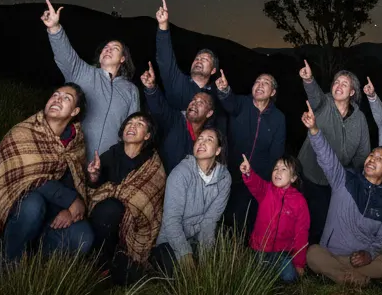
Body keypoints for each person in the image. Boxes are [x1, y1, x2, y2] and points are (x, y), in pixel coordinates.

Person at [0, 84, 93, 269]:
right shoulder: (23, 133)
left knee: (83, 236)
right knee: (33, 204)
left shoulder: (75, 142)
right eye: (55, 95)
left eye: (66, 98)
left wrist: (69, 210)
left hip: (51, 214)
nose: (57, 99)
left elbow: (74, 181)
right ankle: (7, 263)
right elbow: (29, 178)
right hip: (17, 209)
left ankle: (32, 263)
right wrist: (71, 199)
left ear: (75, 111)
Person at [301, 101, 382, 287]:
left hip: (361, 261)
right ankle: (352, 279)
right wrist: (314, 130)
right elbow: (327, 157)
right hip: (332, 255)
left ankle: (342, 277)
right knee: (313, 252)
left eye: (380, 159)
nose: (372, 159)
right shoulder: (344, 179)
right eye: (372, 155)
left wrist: (368, 254)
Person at [42, 0, 140, 157]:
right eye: (105, 48)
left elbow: (132, 127)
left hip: (108, 163)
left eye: (114, 49)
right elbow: (65, 55)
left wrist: (123, 159)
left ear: (123, 59)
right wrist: (54, 28)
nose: (108, 50)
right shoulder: (83, 72)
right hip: (74, 157)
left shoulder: (131, 90)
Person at [86, 112, 167, 284]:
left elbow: (150, 196)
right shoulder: (111, 154)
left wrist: (126, 200)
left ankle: (117, 261)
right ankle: (102, 264)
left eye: (139, 123)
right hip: (104, 219)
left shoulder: (152, 163)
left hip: (136, 224)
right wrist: (94, 175)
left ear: (147, 135)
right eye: (129, 123)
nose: (132, 126)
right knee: (109, 209)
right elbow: (95, 188)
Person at [297, 60, 371, 244]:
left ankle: (314, 262)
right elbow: (315, 95)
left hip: (334, 181)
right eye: (336, 82)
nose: (338, 86)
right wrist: (309, 79)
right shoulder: (324, 104)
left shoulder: (360, 119)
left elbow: (363, 152)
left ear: (352, 92)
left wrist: (356, 180)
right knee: (300, 218)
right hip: (307, 175)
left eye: (344, 84)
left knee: (322, 223)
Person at [215, 68, 286, 232]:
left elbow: (276, 152)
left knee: (244, 221)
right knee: (222, 214)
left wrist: (266, 180)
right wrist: (225, 90)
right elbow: (229, 102)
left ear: (273, 92)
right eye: (258, 81)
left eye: (266, 83)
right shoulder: (241, 103)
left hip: (256, 178)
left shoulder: (278, 118)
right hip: (229, 171)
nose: (260, 85)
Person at [152, 127, 231, 275]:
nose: (202, 142)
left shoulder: (224, 178)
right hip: (172, 239)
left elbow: (210, 221)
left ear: (218, 150)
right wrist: (185, 255)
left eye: (209, 139)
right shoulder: (180, 173)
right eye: (200, 139)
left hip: (199, 237)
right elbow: (171, 220)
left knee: (215, 267)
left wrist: (205, 257)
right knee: (177, 271)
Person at [239, 152, 310, 283]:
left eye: (284, 169)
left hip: (282, 253)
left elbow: (301, 233)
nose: (278, 171)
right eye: (276, 168)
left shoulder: (299, 202)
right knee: (252, 278)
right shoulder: (266, 191)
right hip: (259, 250)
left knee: (289, 277)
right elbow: (256, 184)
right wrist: (248, 173)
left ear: (293, 178)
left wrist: (299, 264)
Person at [141, 61, 218, 172]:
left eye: (201, 103)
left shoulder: (207, 137)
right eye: (193, 100)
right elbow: (160, 108)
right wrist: (151, 88)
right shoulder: (175, 120)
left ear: (209, 113)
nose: (194, 103)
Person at [153, 0, 220, 110]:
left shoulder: (216, 97)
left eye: (205, 59)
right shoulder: (178, 82)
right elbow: (166, 59)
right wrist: (163, 25)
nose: (199, 60)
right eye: (197, 58)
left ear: (213, 70)